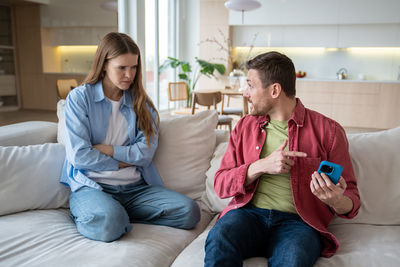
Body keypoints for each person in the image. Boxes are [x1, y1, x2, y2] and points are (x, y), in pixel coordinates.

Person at [204, 51, 360, 267]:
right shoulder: (244, 127)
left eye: (250, 85)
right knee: (219, 240)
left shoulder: (329, 132)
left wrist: (335, 200)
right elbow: (220, 184)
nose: (244, 92)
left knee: (292, 259)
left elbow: (352, 199)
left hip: (299, 223)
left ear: (275, 90)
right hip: (248, 215)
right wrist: (259, 167)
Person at [60, 32, 200, 242]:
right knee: (109, 222)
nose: (129, 74)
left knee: (189, 212)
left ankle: (117, 213)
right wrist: (123, 162)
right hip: (93, 185)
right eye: (122, 68)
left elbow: (144, 154)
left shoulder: (142, 104)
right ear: (104, 65)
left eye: (134, 67)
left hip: (135, 189)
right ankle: (106, 213)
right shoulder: (80, 98)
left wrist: (107, 149)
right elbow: (80, 156)